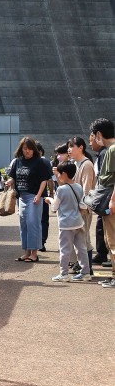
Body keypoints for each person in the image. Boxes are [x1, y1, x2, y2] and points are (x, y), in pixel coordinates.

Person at [5, 137, 51, 262]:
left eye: (30, 149)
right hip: (22, 197)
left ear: (34, 149)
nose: (27, 151)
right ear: (21, 149)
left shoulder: (39, 162)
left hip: (34, 196)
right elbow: (14, 176)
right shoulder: (17, 162)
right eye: (25, 148)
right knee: (24, 224)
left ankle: (34, 254)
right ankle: (26, 252)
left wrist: (39, 195)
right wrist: (10, 181)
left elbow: (44, 180)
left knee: (33, 223)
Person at [44, 162, 91, 282]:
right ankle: (85, 272)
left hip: (66, 224)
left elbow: (55, 207)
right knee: (81, 248)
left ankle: (63, 274)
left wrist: (49, 199)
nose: (58, 176)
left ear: (64, 174)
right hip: (79, 222)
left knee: (65, 249)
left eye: (59, 174)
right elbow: (82, 204)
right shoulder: (79, 187)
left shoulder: (61, 189)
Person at [91, 118, 115, 288]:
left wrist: (113, 200)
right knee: (109, 240)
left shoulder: (112, 150)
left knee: (112, 241)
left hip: (111, 203)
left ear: (99, 134)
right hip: (109, 201)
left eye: (93, 135)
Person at [68, 136, 95, 272]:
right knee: (79, 239)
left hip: (82, 209)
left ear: (81, 147)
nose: (69, 149)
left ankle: (87, 268)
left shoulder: (87, 165)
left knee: (83, 239)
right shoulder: (76, 164)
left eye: (72, 146)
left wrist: (82, 207)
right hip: (76, 208)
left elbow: (87, 189)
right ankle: (83, 266)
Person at [89, 131, 110, 266]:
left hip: (106, 198)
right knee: (102, 226)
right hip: (105, 197)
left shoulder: (105, 153)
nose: (90, 143)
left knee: (106, 229)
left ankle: (103, 254)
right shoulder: (102, 154)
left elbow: (105, 179)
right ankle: (102, 253)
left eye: (91, 140)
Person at [37, 141, 56, 252]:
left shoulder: (43, 162)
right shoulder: (46, 162)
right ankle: (41, 242)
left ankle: (40, 242)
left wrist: (51, 193)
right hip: (42, 195)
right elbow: (50, 180)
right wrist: (51, 192)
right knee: (43, 219)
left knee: (40, 219)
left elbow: (49, 180)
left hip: (40, 195)